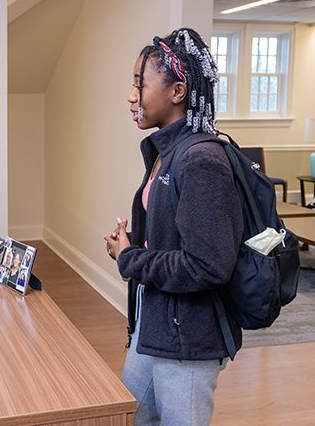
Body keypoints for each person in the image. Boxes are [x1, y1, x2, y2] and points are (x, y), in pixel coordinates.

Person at [103, 28, 243, 426]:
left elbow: (209, 265)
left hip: (189, 341)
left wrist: (130, 258)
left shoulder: (201, 160)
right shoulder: (166, 152)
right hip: (155, 325)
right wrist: (130, 249)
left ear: (177, 91)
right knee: (133, 416)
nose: (131, 96)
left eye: (138, 84)